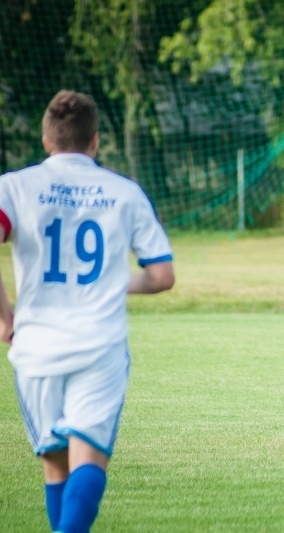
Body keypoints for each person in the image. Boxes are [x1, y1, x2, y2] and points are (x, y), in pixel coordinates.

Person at [1, 90, 175, 532]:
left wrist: (5, 318)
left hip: (36, 348)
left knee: (56, 468)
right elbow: (162, 276)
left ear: (46, 140)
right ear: (95, 141)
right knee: (89, 460)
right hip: (99, 347)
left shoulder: (15, 187)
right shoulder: (124, 192)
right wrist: (117, 282)